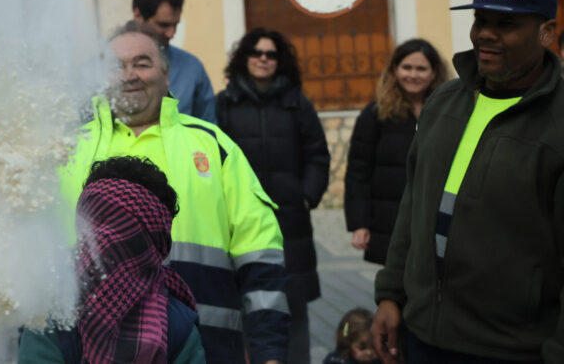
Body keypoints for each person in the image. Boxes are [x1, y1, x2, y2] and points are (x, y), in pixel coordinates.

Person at [62, 21, 289, 364]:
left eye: (142, 63)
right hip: (87, 350)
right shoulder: (66, 152)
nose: (129, 75)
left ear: (167, 75)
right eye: (117, 66)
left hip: (208, 345)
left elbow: (260, 253)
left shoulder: (213, 146)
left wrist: (268, 349)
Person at [372, 0, 564, 363]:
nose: (486, 34)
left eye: (506, 23)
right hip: (423, 334)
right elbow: (413, 205)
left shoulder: (558, 121)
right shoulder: (444, 102)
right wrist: (391, 295)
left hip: (514, 349)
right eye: (480, 20)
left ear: (546, 32)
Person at [214, 28, 330, 364]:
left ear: (280, 61)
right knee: (244, 300)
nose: (263, 59)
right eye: (256, 52)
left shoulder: (296, 103)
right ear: (244, 58)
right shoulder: (225, 103)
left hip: (289, 221)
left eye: (271, 54)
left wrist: (306, 195)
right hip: (241, 222)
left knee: (292, 306)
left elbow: (317, 154)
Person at [20, 157, 206, 363]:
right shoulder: (52, 313)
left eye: (122, 232)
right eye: (98, 230)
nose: (107, 243)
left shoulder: (52, 311)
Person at [343, 39, 447, 265]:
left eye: (421, 69)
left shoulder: (447, 112)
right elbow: (358, 172)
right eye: (407, 67)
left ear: (434, 73)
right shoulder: (375, 114)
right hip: (389, 221)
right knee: (395, 289)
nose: (413, 75)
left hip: (436, 218)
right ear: (394, 70)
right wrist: (360, 224)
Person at [132, 0, 216, 122]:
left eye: (175, 25)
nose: (171, 34)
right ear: (138, 15)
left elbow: (208, 129)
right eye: (163, 25)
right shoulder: (102, 67)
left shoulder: (192, 67)